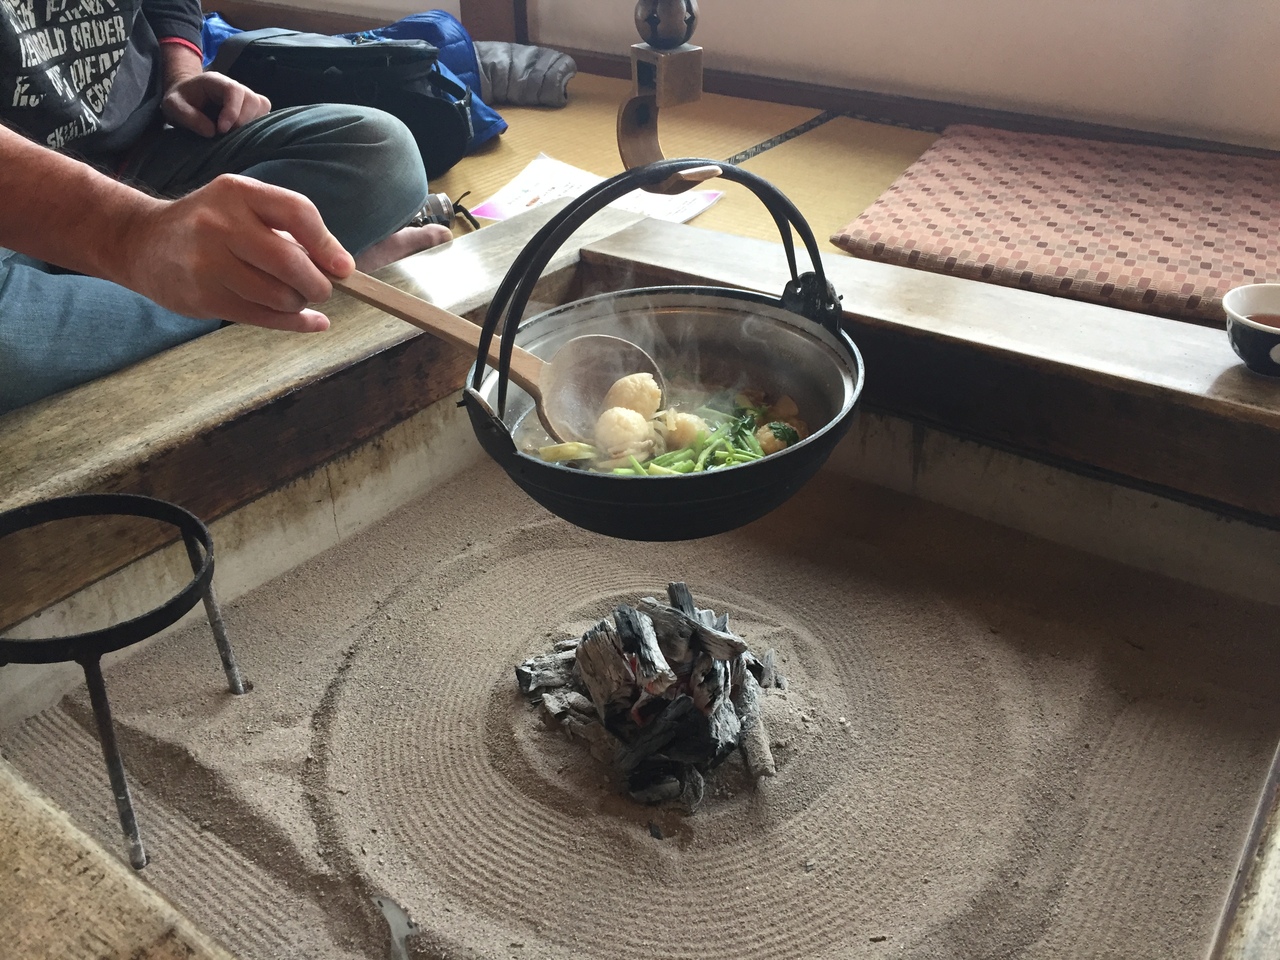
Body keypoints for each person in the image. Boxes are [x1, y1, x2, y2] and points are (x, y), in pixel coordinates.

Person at [0, 0, 453, 414]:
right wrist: (133, 230)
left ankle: (224, 287)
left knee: (383, 153)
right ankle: (280, 286)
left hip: (142, 157)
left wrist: (181, 77)